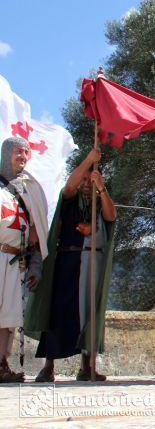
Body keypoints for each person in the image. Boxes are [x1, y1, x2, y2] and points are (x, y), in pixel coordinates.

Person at [26, 147, 115, 382]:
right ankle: (49, 366)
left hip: (91, 263)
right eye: (84, 179)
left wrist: (101, 187)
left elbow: (111, 217)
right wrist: (89, 161)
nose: (86, 183)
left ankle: (87, 366)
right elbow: (69, 187)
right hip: (67, 261)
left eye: (91, 178)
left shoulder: (98, 199)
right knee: (59, 312)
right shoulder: (70, 199)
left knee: (88, 315)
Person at [0, 137, 47, 383]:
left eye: (26, 153)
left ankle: (1, 365)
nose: (23, 156)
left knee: (8, 319)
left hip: (15, 260)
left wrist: (36, 266)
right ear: (6, 152)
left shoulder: (30, 188)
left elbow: (37, 233)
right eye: (18, 151)